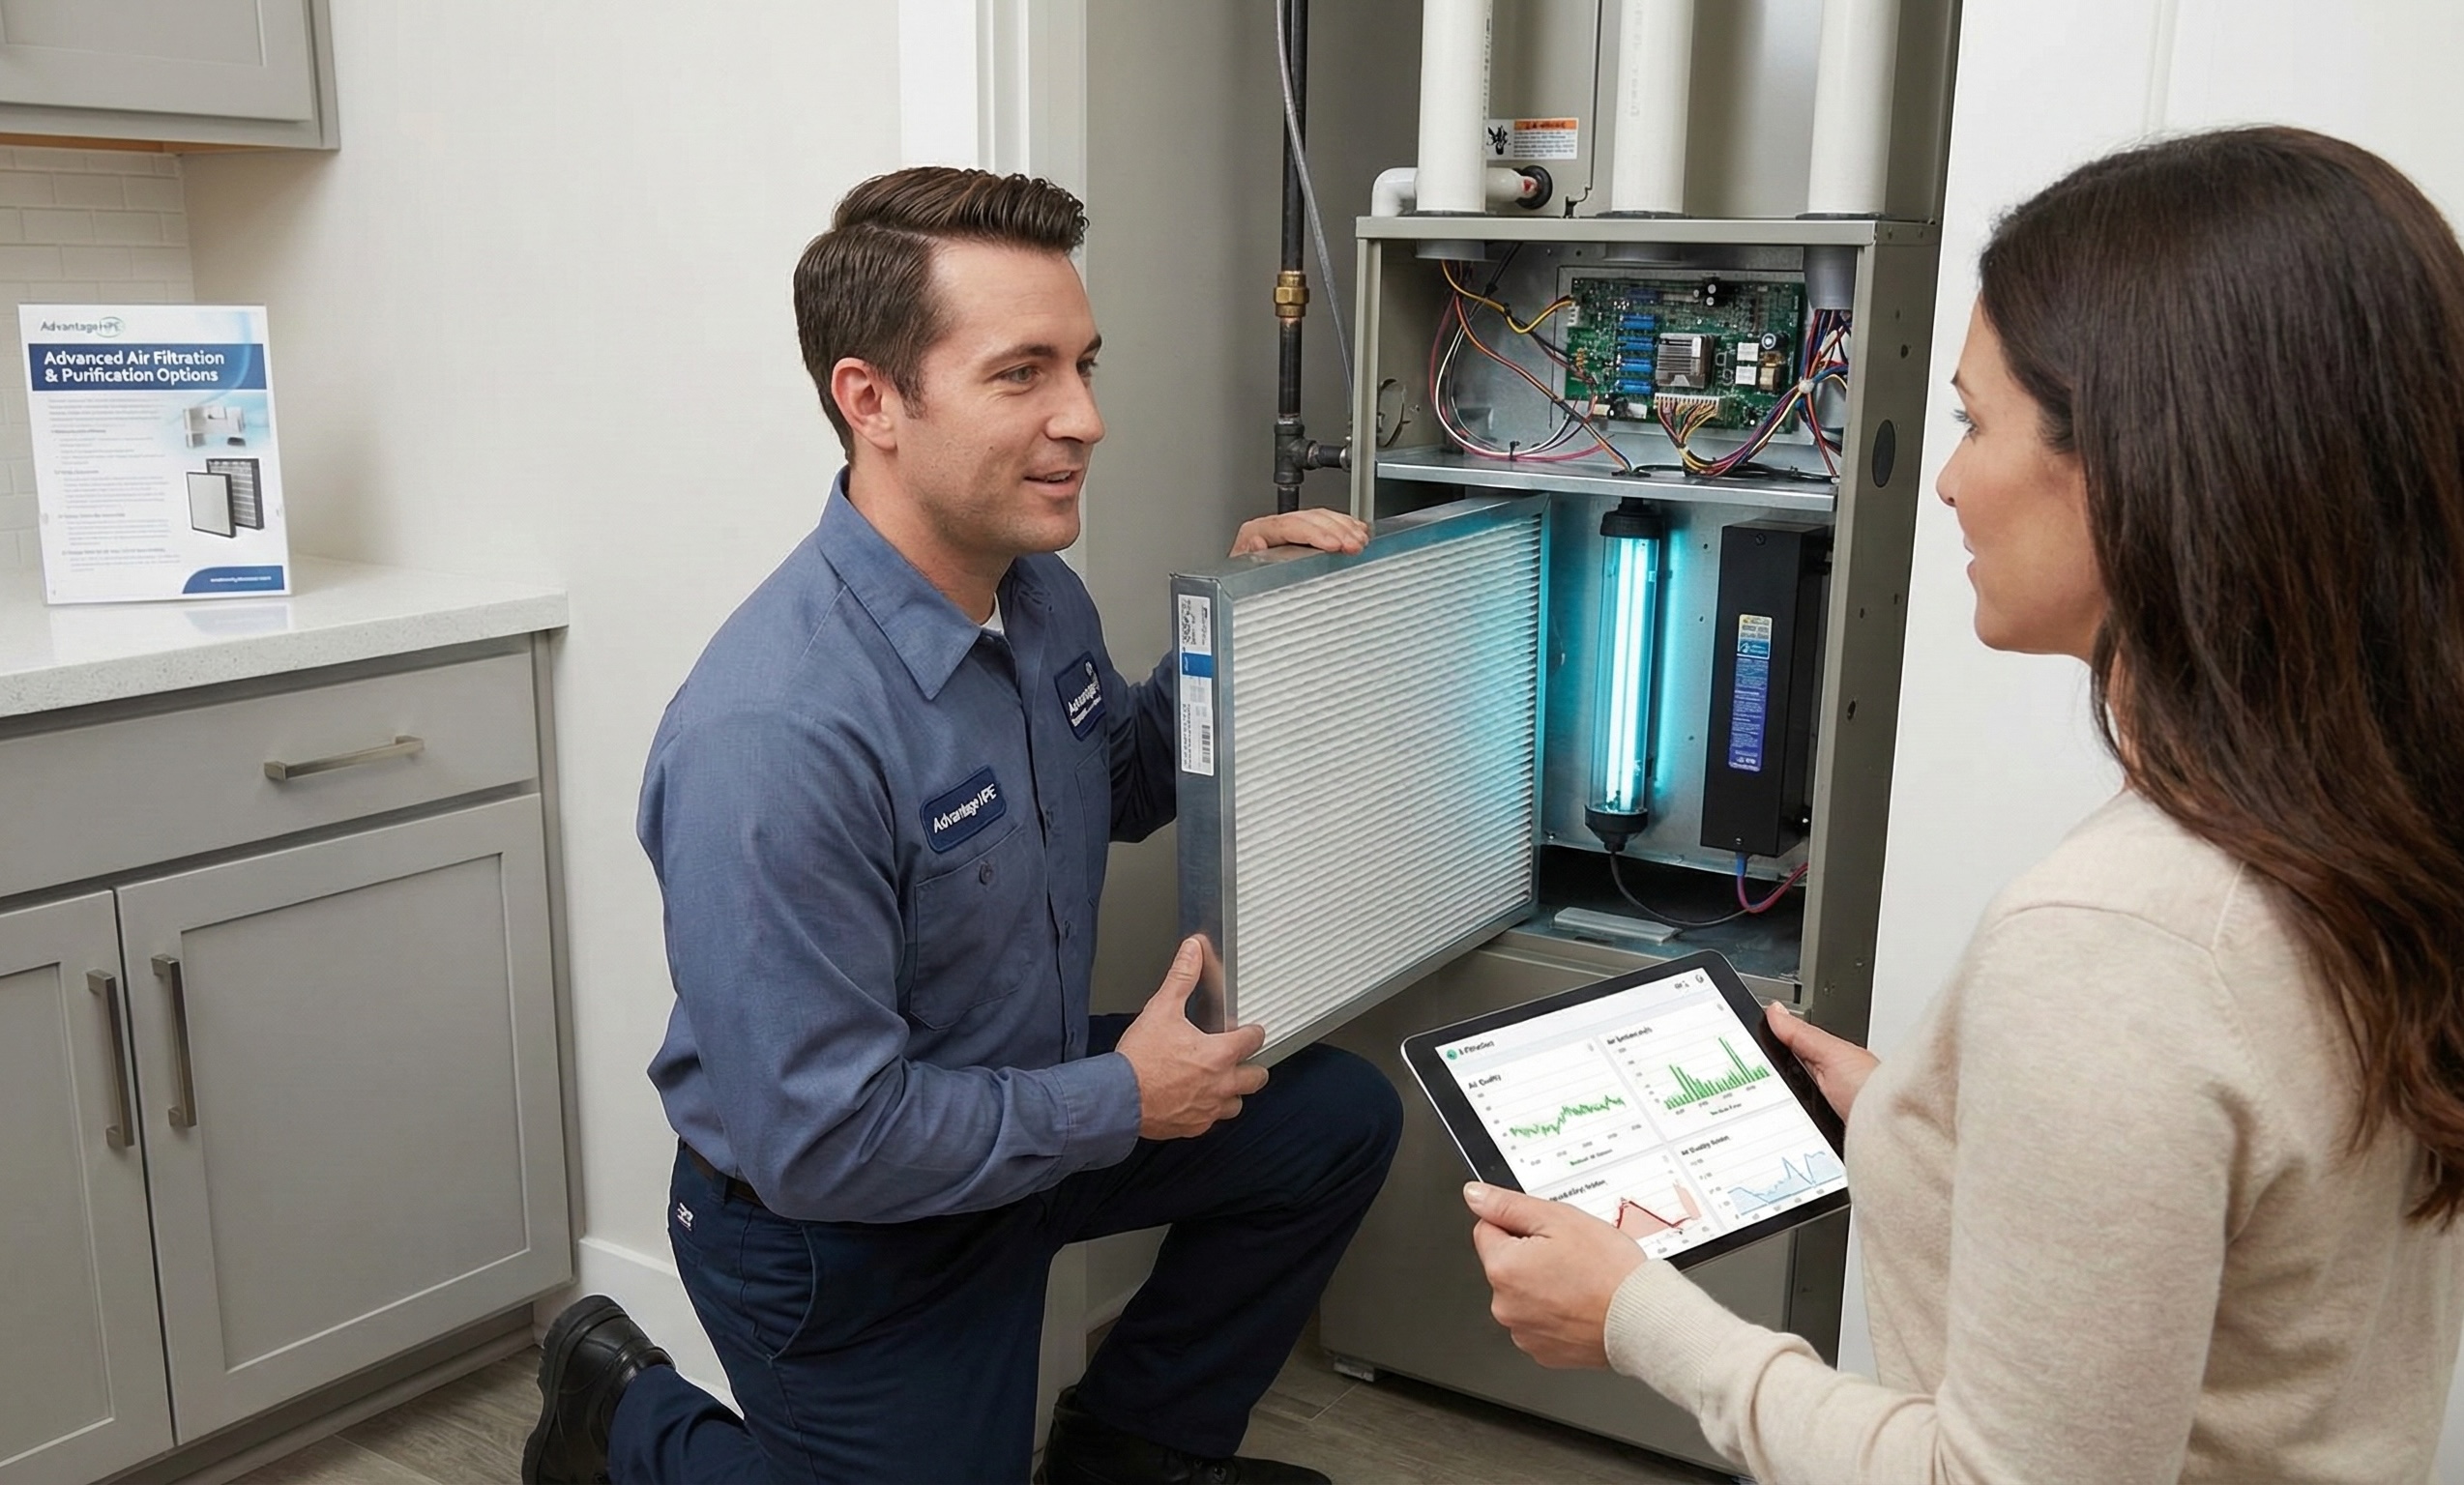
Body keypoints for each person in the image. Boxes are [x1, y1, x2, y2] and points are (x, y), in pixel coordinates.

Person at [1464, 126, 2464, 1482]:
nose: (1944, 481)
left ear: (2140, 463)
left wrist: (1641, 1320)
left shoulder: (2119, 942)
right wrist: (1921, 1120)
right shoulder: (2371, 837)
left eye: (1975, 422)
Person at [520, 166, 1402, 1485]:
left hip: (1023, 1112)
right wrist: (1120, 1098)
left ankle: (1129, 1458)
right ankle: (623, 1415)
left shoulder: (1037, 598)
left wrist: (1239, 639)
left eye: (1086, 366)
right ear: (871, 400)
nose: (1086, 418)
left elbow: (1126, 787)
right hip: (843, 1228)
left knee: (1329, 1119)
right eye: (1023, 374)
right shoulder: (774, 738)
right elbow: (826, 1139)